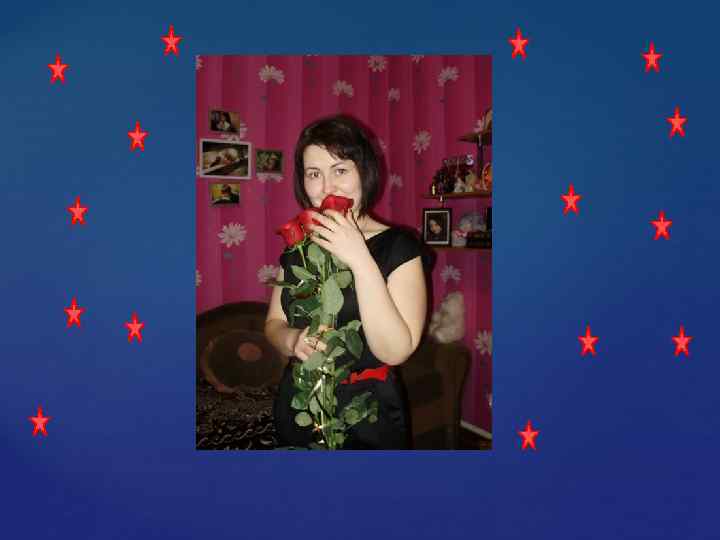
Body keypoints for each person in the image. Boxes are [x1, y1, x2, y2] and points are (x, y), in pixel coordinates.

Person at [264, 114, 427, 449]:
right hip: (301, 403)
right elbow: (273, 324)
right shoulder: (299, 248)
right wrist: (292, 340)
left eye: (340, 170)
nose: (327, 187)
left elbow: (395, 351)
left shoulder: (399, 246)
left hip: (369, 415)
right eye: (314, 174)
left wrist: (359, 258)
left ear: (364, 172)